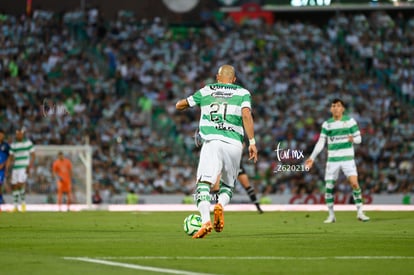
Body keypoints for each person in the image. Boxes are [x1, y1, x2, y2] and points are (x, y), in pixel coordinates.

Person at [176, 64, 258, 239]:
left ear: (217, 77)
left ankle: (206, 221)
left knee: (203, 184)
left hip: (212, 141)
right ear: (234, 80)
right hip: (235, 144)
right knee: (228, 185)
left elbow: (181, 105)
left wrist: (180, 104)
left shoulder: (206, 90)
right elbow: (246, 115)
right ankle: (220, 204)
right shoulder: (243, 93)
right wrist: (252, 142)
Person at [305, 98, 370, 223]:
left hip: (347, 159)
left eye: (338, 105)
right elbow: (321, 142)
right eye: (333, 105)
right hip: (333, 160)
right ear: (331, 108)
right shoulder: (327, 124)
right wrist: (312, 158)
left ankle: (360, 212)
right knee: (329, 187)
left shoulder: (350, 122)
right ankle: (331, 215)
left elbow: (359, 139)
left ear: (343, 108)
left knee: (355, 184)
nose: (335, 108)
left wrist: (353, 139)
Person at [9, 128, 35, 212]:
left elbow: (33, 155)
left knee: (20, 184)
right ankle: (16, 206)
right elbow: (11, 157)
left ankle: (23, 204)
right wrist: (8, 166)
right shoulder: (13, 144)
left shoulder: (28, 143)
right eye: (17, 134)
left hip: (23, 167)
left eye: (20, 133)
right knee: (14, 186)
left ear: (23, 134)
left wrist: (29, 166)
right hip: (15, 167)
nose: (19, 135)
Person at [0, 129, 11, 206]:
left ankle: (1, 200)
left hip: (1, 169)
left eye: (2, 135)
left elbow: (9, 157)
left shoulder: (6, 146)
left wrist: (5, 166)